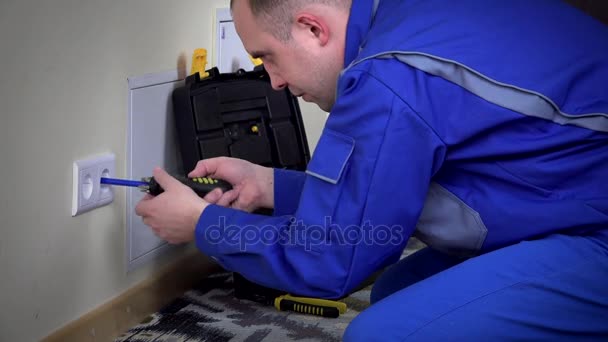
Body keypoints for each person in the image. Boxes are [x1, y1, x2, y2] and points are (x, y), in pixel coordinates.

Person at [135, 0, 608, 340]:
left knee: (382, 334)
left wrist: (202, 225)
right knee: (396, 291)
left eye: (268, 58)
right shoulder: (405, 21)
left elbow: (329, 260)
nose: (273, 81)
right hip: (566, 197)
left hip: (595, 232)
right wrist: (270, 185)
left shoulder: (388, 73)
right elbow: (387, 186)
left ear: (311, 29)